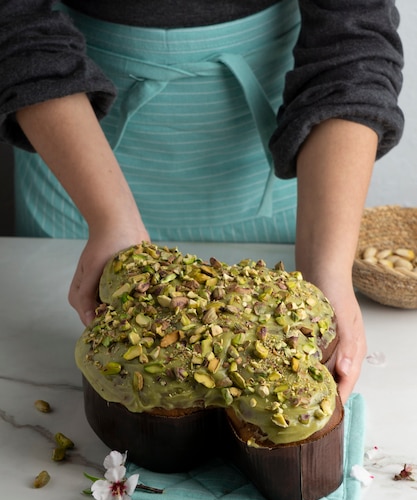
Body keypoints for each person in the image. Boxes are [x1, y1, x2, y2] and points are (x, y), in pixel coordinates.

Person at [0, 1, 404, 404]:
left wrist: (328, 274)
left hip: (284, 174)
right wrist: (108, 218)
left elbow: (353, 42)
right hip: (74, 157)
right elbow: (15, 21)